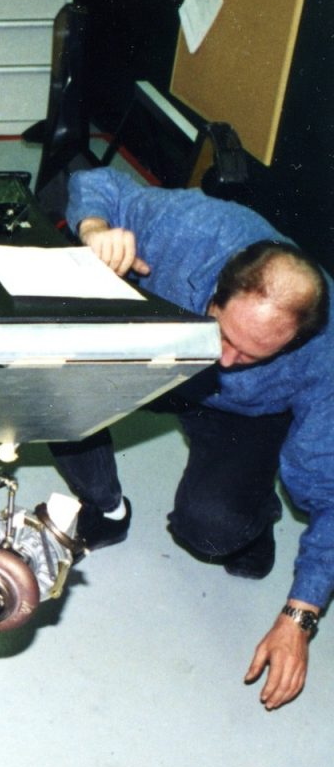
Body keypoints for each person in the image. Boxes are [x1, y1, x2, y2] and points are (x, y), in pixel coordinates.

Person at [53, 167, 332, 711]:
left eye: (252, 354)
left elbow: (330, 497)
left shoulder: (324, 356)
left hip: (242, 412)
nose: (225, 359)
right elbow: (99, 180)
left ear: (294, 341)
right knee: (52, 386)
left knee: (210, 530)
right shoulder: (195, 229)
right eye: (225, 334)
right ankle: (106, 507)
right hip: (161, 357)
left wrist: (300, 616)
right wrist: (94, 228)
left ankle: (255, 520)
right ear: (218, 290)